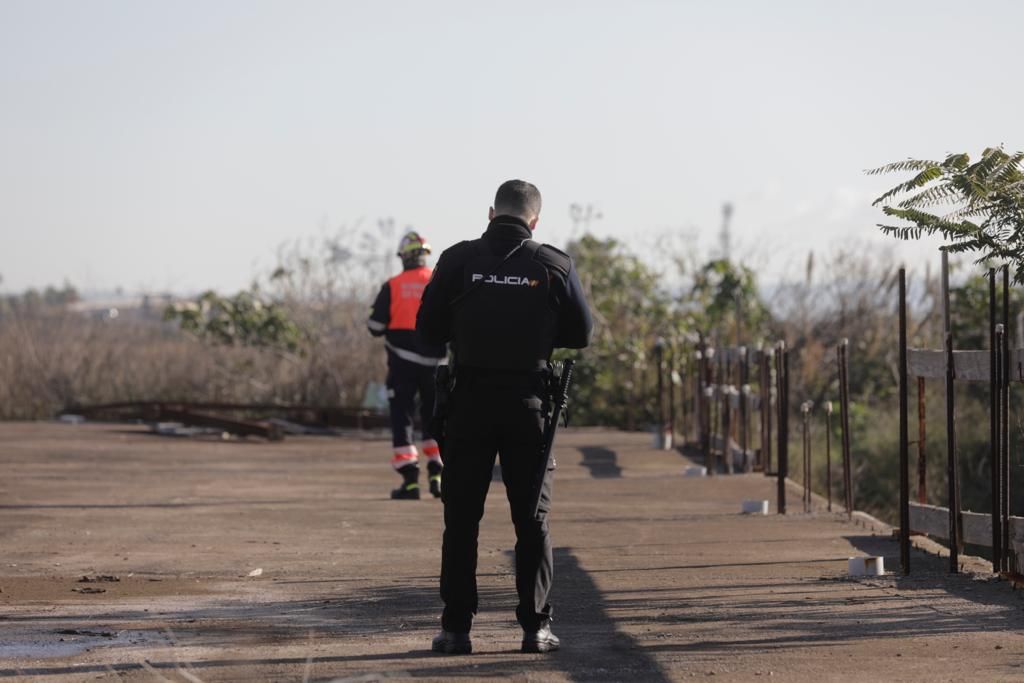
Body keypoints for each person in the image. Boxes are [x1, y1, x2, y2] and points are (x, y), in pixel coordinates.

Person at [416, 179, 592, 655]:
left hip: (468, 404)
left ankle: (456, 631)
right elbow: (580, 334)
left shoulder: (457, 259)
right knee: (532, 521)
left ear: (492, 212)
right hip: (529, 406)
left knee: (462, 520)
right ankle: (535, 630)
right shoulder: (554, 264)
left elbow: (427, 330)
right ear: (534, 220)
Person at [367, 231, 447, 500]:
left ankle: (410, 482)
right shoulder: (438, 283)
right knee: (435, 418)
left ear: (404, 257)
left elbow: (375, 327)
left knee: (402, 417)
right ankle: (437, 476)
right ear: (425, 255)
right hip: (437, 366)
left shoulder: (393, 285)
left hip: (402, 365)